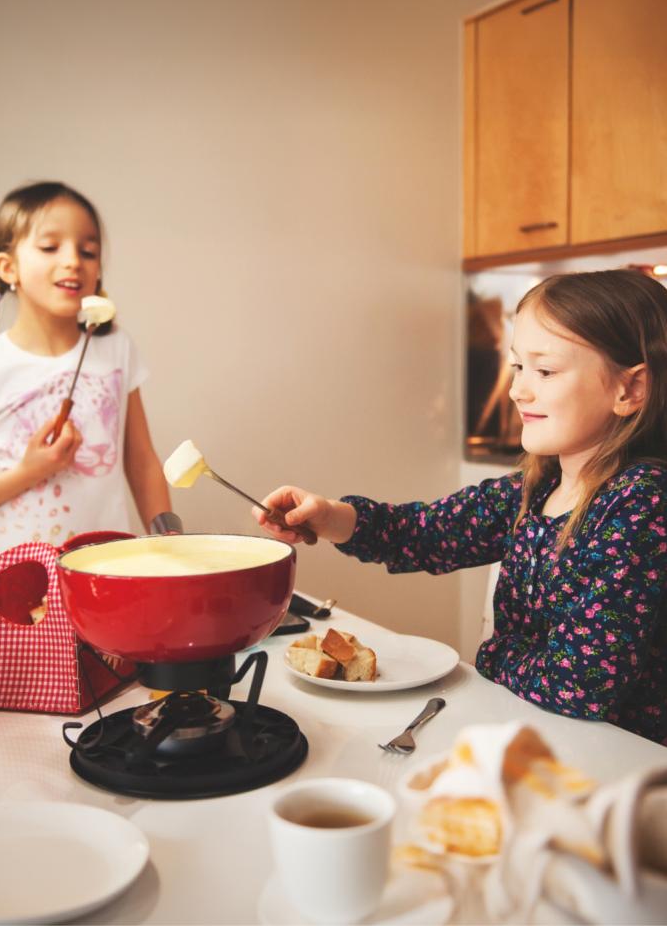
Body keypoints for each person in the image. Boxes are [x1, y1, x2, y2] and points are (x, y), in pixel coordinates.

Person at [254, 269, 667, 745]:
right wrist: (329, 517)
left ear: (630, 390)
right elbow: (425, 533)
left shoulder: (641, 503)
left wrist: (491, 657)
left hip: (622, 761)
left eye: (545, 371)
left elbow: (580, 686)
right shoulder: (537, 486)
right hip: (543, 733)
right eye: (517, 367)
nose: (518, 390)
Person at [0, 181, 171, 568]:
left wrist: (168, 539)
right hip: (12, 586)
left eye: (88, 251)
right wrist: (29, 472)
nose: (73, 261)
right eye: (50, 247)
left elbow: (142, 461)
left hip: (104, 573)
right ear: (7, 267)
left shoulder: (117, 347)